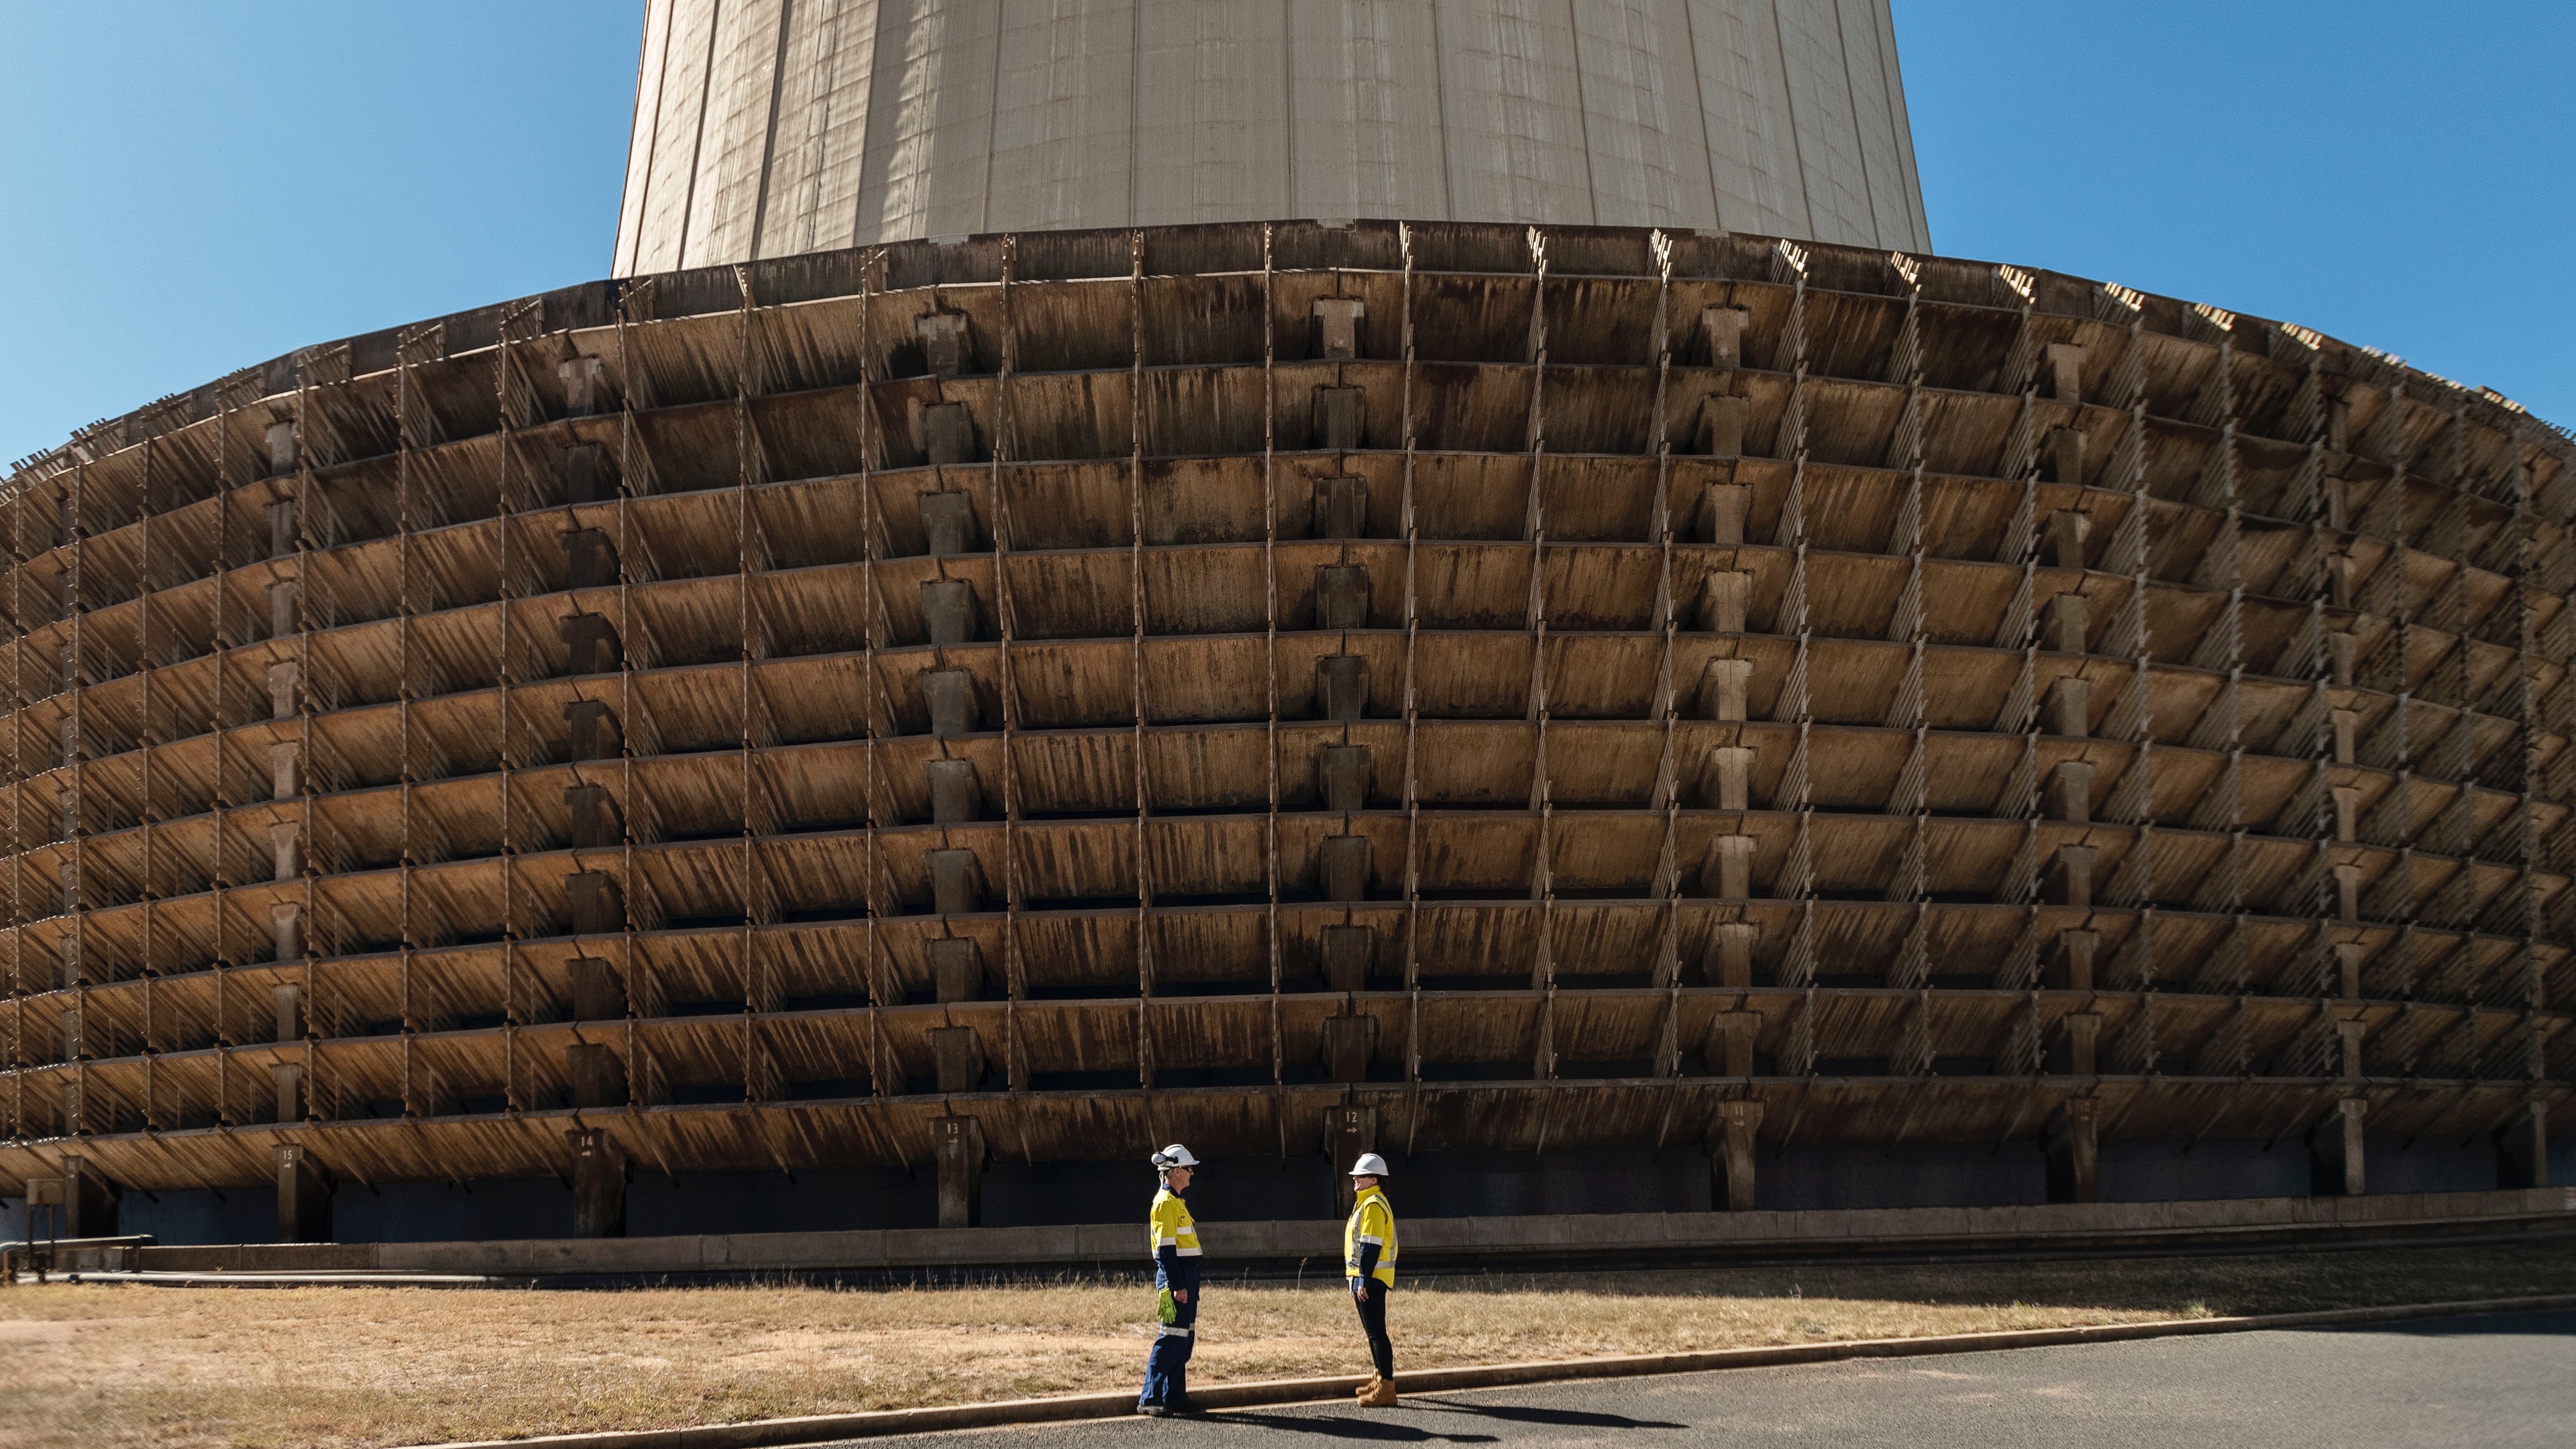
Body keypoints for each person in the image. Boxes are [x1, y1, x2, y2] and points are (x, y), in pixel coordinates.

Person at [1138, 1143, 1203, 1416]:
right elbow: (1166, 1252)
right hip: (1177, 1277)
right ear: (1175, 1171)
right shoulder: (1166, 1203)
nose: (1192, 1174)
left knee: (1183, 1340)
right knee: (1170, 1339)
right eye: (1188, 1169)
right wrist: (1178, 1286)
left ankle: (1174, 1396)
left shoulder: (1176, 1202)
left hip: (1187, 1277)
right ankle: (1150, 1398)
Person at [1343, 1152, 1399, 1407]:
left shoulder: (1373, 1205)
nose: (1355, 1179)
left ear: (1374, 1180)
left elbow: (1370, 1246)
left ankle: (1386, 1388)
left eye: (1360, 1176)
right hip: (1366, 1277)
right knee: (1373, 1333)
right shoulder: (1366, 1203)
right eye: (1355, 1175)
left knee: (1377, 1334)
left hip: (1372, 1278)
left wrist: (1364, 1279)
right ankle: (1380, 1379)